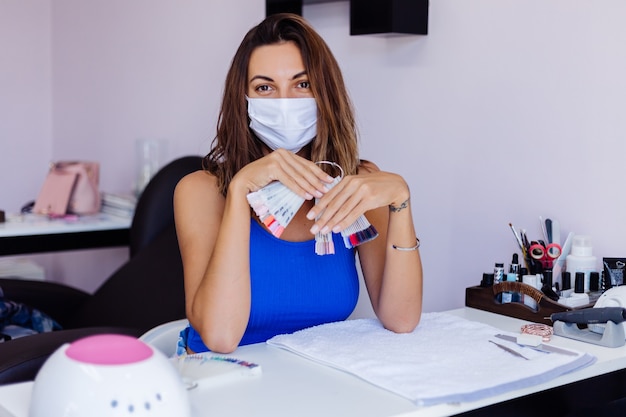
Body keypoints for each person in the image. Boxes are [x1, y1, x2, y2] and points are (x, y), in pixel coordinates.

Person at [174, 13, 423, 354]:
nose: (285, 102)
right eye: (265, 87)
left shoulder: (356, 185)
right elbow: (220, 337)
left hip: (317, 388)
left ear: (325, 93)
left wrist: (401, 200)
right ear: (243, 101)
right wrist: (239, 192)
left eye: (301, 84)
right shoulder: (200, 191)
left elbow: (402, 318)